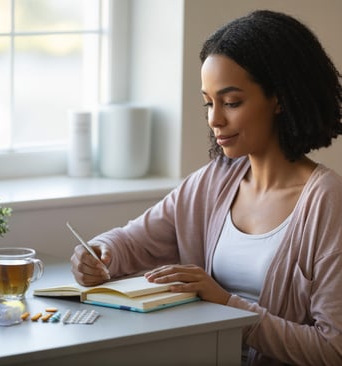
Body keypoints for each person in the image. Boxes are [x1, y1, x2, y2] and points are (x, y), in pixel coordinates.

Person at [71, 10, 342, 365]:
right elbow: (132, 241)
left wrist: (226, 305)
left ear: (280, 99)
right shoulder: (215, 181)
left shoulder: (327, 201)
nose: (214, 119)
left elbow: (332, 350)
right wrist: (99, 253)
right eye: (208, 103)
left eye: (231, 103)